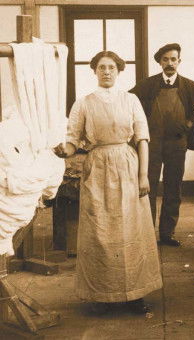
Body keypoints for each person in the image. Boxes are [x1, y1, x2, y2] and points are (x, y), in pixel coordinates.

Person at [54, 51, 162, 314]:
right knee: (100, 231)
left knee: (130, 230)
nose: (106, 71)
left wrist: (143, 175)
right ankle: (102, 295)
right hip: (97, 168)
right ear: (94, 71)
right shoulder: (83, 103)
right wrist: (64, 151)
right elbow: (72, 140)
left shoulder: (131, 100)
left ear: (119, 70)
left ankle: (134, 295)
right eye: (101, 67)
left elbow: (142, 138)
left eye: (111, 67)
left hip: (127, 164)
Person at [130, 43, 194, 247]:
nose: (169, 63)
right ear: (159, 62)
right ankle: (147, 232)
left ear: (179, 61)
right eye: (165, 59)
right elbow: (127, 101)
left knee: (173, 188)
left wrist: (190, 123)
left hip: (177, 143)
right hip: (151, 144)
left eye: (173, 59)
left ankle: (167, 233)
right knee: (147, 185)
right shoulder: (147, 85)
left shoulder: (189, 86)